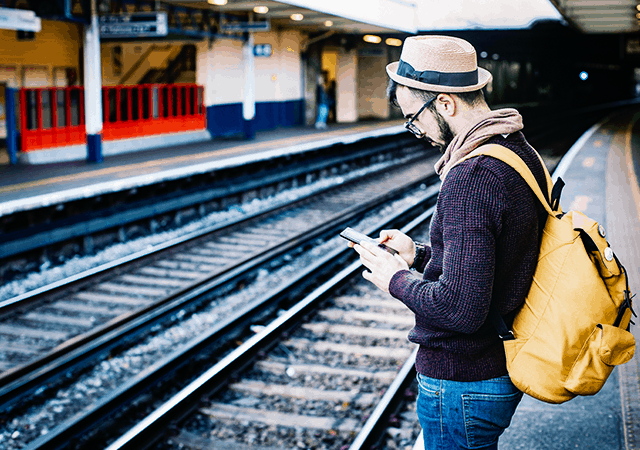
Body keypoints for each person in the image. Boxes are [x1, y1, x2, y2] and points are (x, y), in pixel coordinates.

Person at [349, 35, 549, 450]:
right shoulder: (516, 149)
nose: (415, 130)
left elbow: (459, 309)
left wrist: (395, 278)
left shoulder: (471, 176)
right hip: (493, 366)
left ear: (444, 103)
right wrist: (419, 254)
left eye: (413, 117)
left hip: (463, 378)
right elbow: (496, 259)